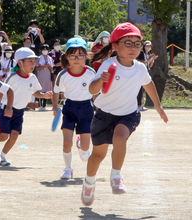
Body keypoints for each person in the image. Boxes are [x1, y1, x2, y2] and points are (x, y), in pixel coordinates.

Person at [81, 22, 168, 206]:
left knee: (120, 137)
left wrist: (158, 106)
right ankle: (89, 183)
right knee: (98, 155)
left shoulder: (140, 68)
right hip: (104, 115)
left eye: (137, 44)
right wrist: (101, 80)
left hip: (128, 115)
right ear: (115, 46)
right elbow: (92, 89)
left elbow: (148, 84)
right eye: (127, 43)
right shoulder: (108, 64)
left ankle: (116, 176)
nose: (133, 48)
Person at [0, 47, 52, 166]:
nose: (33, 64)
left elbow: (34, 92)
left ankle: (2, 156)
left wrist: (44, 96)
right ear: (20, 62)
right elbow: (2, 91)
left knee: (14, 135)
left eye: (34, 61)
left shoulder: (32, 77)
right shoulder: (12, 76)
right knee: (3, 136)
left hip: (20, 111)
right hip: (7, 109)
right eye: (30, 61)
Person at [52, 38, 96, 179]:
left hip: (86, 109)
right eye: (73, 55)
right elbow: (56, 91)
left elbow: (95, 92)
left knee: (85, 148)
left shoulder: (91, 73)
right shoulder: (62, 75)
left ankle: (80, 144)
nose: (76, 59)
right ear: (67, 57)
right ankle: (68, 169)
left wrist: (99, 107)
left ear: (86, 56)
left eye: (80, 55)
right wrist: (54, 107)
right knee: (66, 142)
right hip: (69, 108)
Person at [136, 40, 158, 111]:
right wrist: (149, 59)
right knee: (139, 90)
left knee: (143, 90)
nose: (148, 47)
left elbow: (150, 66)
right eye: (147, 46)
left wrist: (152, 59)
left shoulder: (149, 55)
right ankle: (138, 105)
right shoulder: (141, 53)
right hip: (140, 73)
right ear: (144, 46)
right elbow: (143, 62)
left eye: (150, 46)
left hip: (146, 73)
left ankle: (141, 104)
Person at [35, 44, 54, 111]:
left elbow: (52, 69)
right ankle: (40, 105)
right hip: (41, 75)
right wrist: (44, 66)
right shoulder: (38, 58)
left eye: (46, 50)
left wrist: (48, 66)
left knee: (47, 89)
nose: (45, 51)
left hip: (48, 76)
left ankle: (44, 105)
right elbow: (36, 68)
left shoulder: (50, 58)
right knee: (41, 89)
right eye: (43, 49)